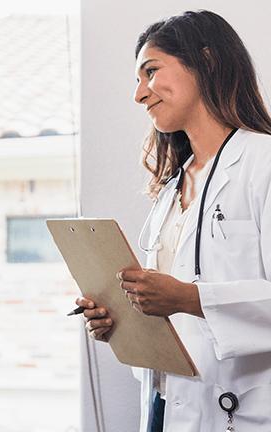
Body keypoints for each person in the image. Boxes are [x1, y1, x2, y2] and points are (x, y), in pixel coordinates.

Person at [76, 10, 271, 432]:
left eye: (151, 72)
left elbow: (188, 297)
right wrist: (121, 318)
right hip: (167, 408)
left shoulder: (264, 163)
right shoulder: (171, 190)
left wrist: (187, 298)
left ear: (207, 61)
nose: (139, 94)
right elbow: (169, 311)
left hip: (242, 411)